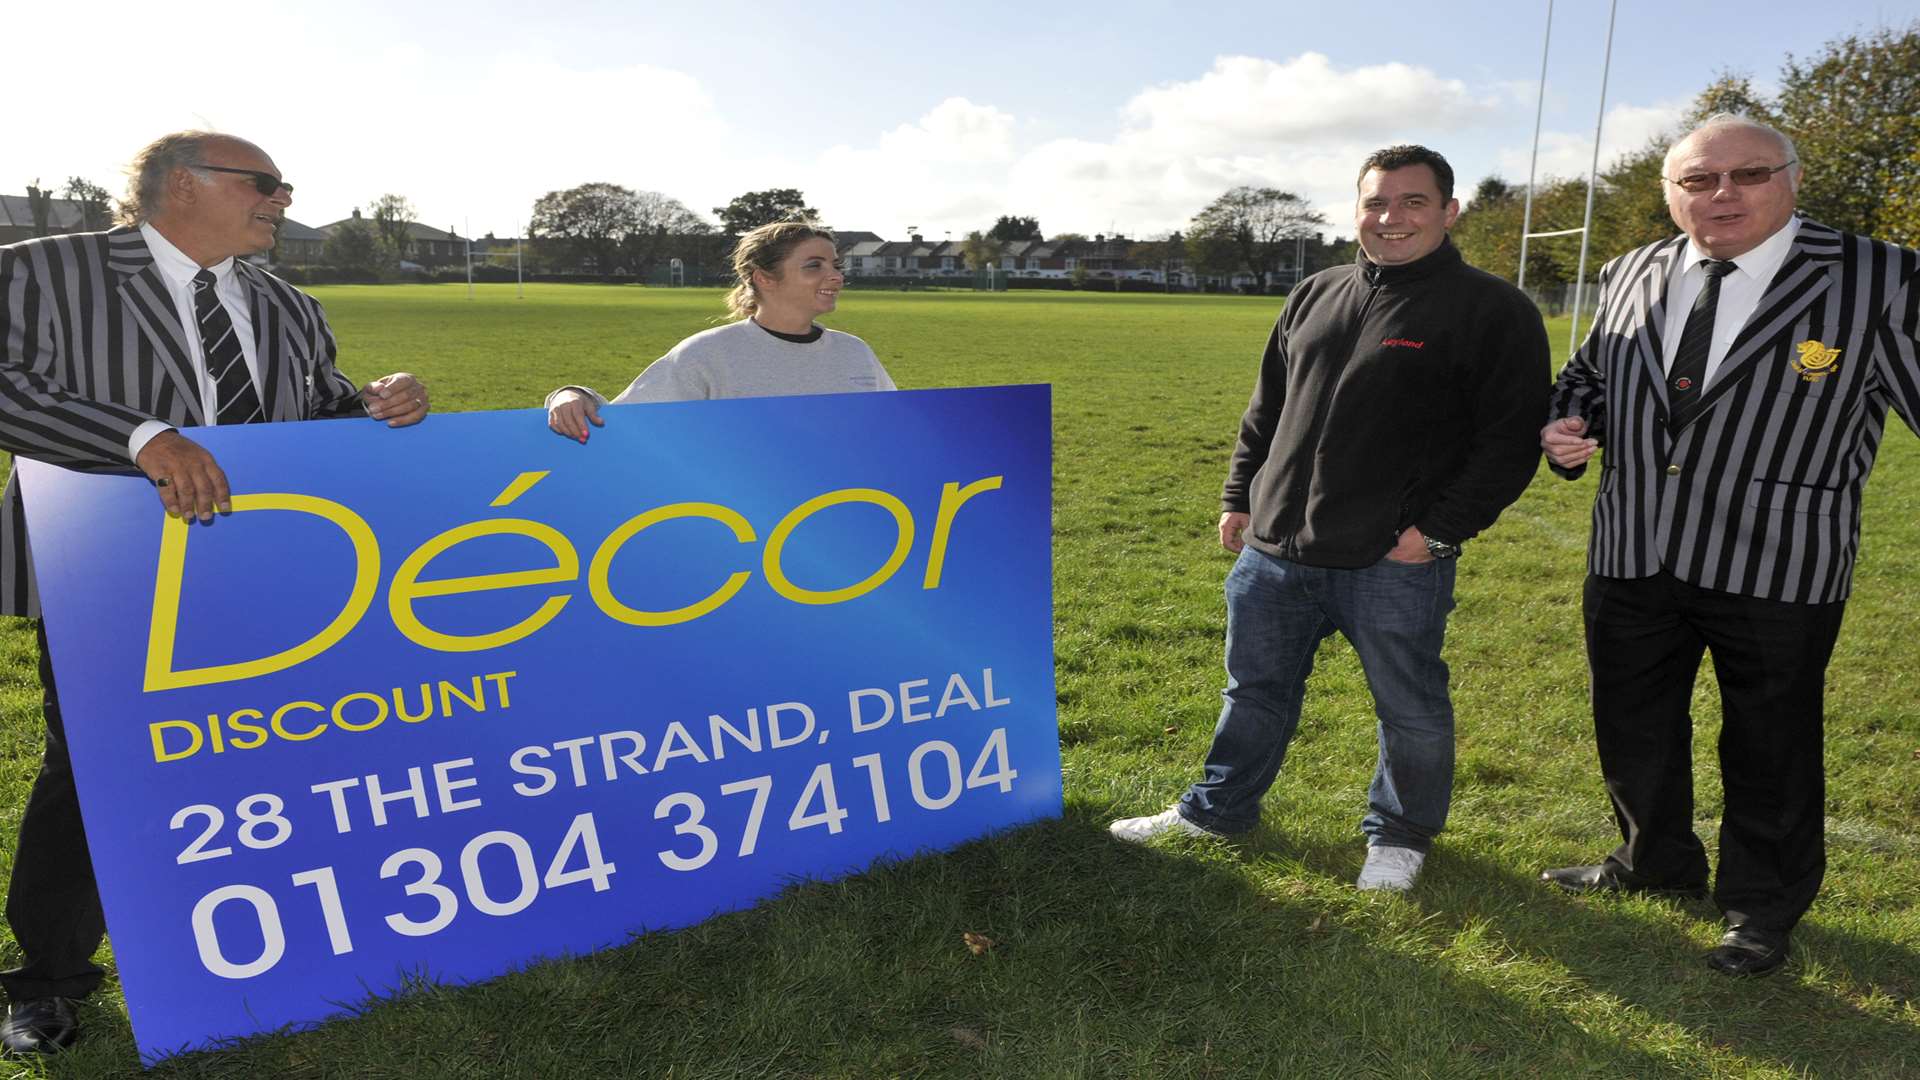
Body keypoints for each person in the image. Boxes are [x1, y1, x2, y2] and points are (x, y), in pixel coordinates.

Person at [0, 131, 429, 1054]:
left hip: (262, 576)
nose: (282, 199)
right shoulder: (41, 270)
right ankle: (47, 981)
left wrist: (375, 406)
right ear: (182, 184)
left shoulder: (291, 305)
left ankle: (253, 948)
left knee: (261, 762)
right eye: (265, 184)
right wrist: (141, 437)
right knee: (94, 774)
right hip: (106, 568)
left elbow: (316, 415)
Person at [1109, 145, 1550, 891]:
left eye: (1413, 202)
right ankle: (1217, 812)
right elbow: (1267, 410)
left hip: (1389, 559)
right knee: (1253, 693)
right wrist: (1239, 496)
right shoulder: (1315, 291)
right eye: (1377, 201)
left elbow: (1508, 443)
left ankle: (1400, 837)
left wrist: (1437, 532)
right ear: (1357, 208)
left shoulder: (1493, 310)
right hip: (1274, 552)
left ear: (1450, 211)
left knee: (1408, 707)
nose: (1392, 217)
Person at [1539, 113, 1920, 976]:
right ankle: (1654, 860)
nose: (1722, 195)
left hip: (1779, 560)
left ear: (1790, 179)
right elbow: (1591, 374)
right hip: (1633, 547)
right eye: (1698, 181)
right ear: (1671, 193)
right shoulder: (1631, 268)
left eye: (1747, 175)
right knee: (1632, 725)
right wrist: (1569, 423)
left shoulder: (1880, 277)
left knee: (1771, 744)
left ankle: (1761, 908)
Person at [546, 219, 893, 436]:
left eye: (835, 264)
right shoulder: (707, 353)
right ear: (765, 278)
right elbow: (625, 423)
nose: (835, 275)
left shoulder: (854, 351)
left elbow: (902, 432)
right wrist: (572, 395)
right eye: (814, 266)